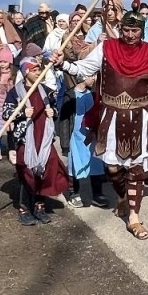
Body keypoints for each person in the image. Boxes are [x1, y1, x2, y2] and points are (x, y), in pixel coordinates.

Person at [56, 8, 148, 240]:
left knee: (136, 169)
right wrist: (63, 65)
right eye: (127, 29)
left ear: (141, 30)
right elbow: (84, 69)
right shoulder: (107, 48)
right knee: (112, 167)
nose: (130, 35)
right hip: (111, 117)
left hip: (140, 118)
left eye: (135, 30)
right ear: (121, 28)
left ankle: (134, 217)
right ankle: (122, 199)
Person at [4, 57, 71, 225]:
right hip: (26, 140)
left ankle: (39, 205)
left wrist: (52, 112)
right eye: (34, 70)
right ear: (26, 72)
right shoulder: (15, 92)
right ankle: (24, 208)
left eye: (39, 70)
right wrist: (21, 114)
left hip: (44, 138)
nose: (38, 72)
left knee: (47, 168)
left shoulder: (46, 91)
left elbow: (55, 107)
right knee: (27, 172)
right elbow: (6, 113)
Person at [61, 72, 110, 208]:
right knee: (75, 165)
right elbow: (65, 120)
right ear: (82, 77)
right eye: (92, 75)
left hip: (91, 136)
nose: (94, 78)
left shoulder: (93, 95)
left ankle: (97, 193)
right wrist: (65, 143)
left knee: (95, 163)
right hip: (75, 138)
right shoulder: (70, 96)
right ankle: (74, 193)